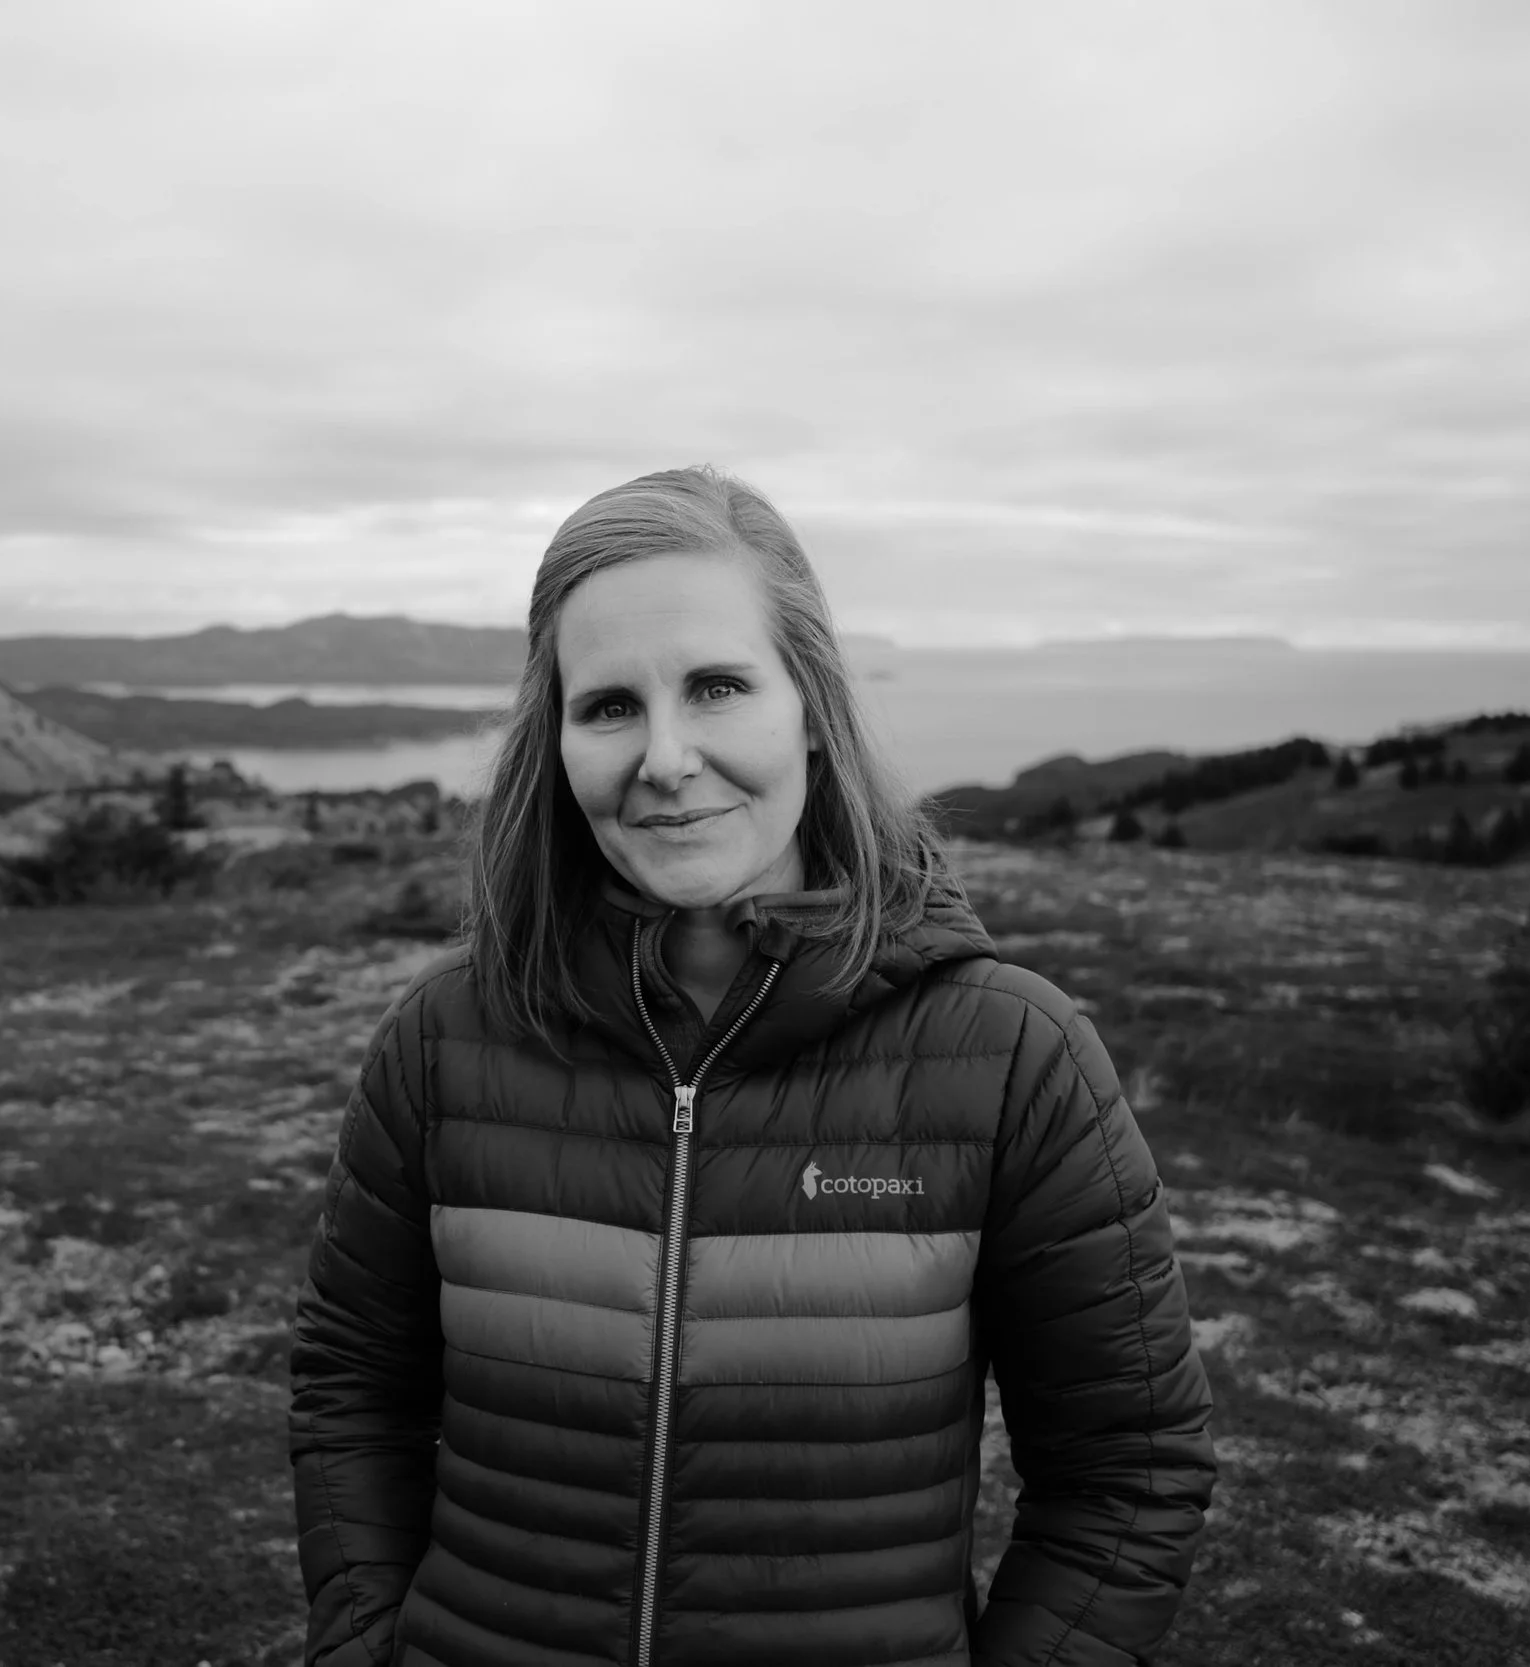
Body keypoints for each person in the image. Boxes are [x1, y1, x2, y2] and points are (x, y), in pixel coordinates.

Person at [289, 466, 1216, 1667]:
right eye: (609, 704)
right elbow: (353, 1395)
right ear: (556, 738)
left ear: (813, 709)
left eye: (718, 686)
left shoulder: (1010, 1056)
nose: (665, 758)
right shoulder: (443, 1038)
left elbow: (1126, 1472)